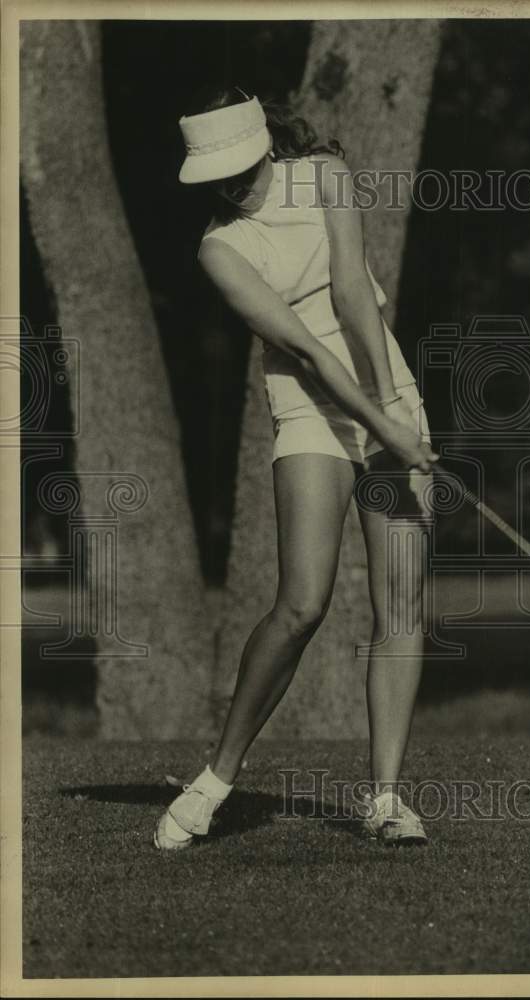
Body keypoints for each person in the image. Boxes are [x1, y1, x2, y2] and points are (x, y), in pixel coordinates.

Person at [154, 86, 438, 851]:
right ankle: (214, 779)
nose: (231, 184)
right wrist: (378, 423)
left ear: (265, 144)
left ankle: (385, 799)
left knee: (402, 601)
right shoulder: (220, 249)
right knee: (303, 602)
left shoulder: (325, 175)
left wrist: (392, 407)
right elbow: (309, 350)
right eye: (216, 173)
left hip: (384, 382)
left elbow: (352, 295)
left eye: (241, 165)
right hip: (309, 406)